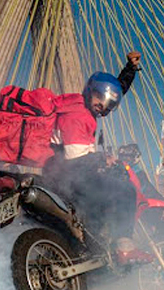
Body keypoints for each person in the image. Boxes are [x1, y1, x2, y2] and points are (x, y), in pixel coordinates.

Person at [42, 51, 147, 265]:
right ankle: (124, 247)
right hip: (65, 174)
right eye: (100, 100)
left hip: (64, 172)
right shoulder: (79, 115)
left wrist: (130, 69)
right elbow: (74, 157)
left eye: (108, 104)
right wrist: (102, 160)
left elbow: (113, 91)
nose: (103, 106)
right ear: (90, 92)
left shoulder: (80, 106)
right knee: (124, 191)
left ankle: (92, 257)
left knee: (98, 207)